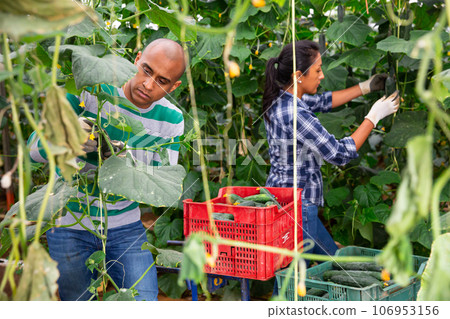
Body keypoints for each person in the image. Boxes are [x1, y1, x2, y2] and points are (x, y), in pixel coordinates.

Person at [28, 39, 186, 300]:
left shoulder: (171, 119)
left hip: (126, 227)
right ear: (136, 60)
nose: (148, 84)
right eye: (146, 70)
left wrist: (119, 153)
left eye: (162, 81)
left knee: (143, 301)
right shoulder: (88, 88)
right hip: (69, 225)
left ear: (174, 86)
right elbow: (33, 150)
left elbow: (160, 188)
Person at [262, 40, 399, 259]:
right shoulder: (295, 113)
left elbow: (323, 101)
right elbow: (339, 154)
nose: (322, 75)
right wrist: (373, 116)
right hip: (297, 207)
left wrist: (365, 87)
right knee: (301, 276)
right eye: (317, 70)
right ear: (298, 75)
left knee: (326, 261)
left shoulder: (283, 97)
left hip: (283, 200)